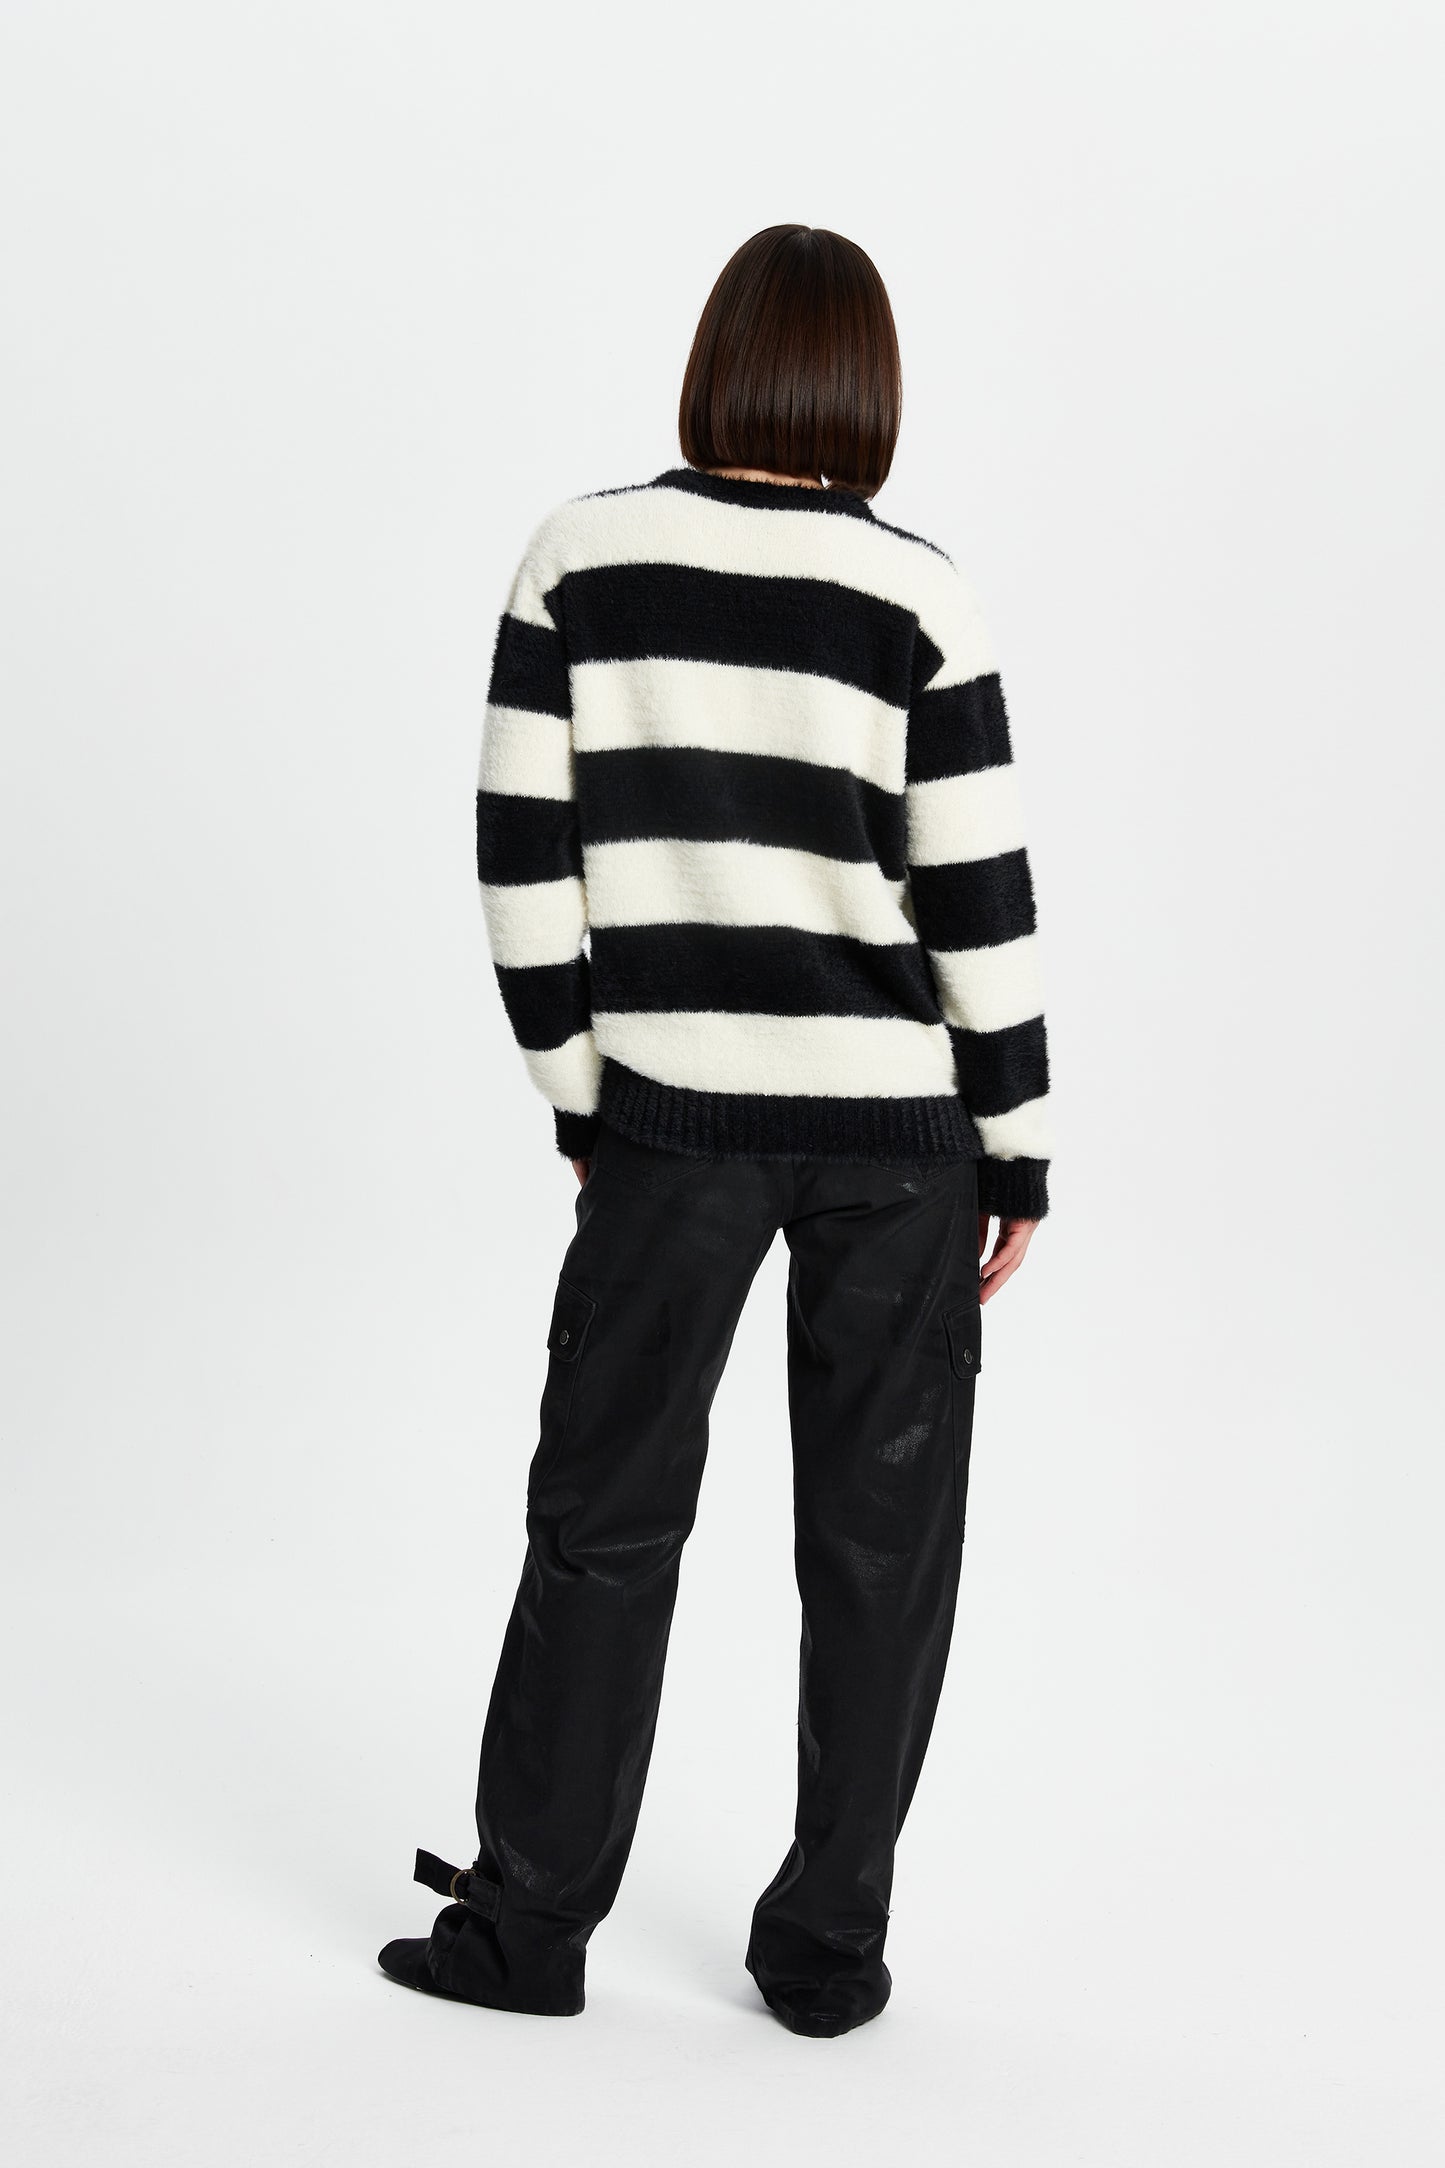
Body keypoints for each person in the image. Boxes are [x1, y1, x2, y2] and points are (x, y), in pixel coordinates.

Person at [378, 223, 1053, 2039]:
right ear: (867, 387)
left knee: (600, 1521)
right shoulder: (919, 596)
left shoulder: (579, 560)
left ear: (714, 364)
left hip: (668, 1128)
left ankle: (526, 1934)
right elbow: (976, 900)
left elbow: (522, 864)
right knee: (882, 1555)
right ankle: (826, 1959)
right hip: (900, 1143)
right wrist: (1017, 1149)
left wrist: (578, 1095)